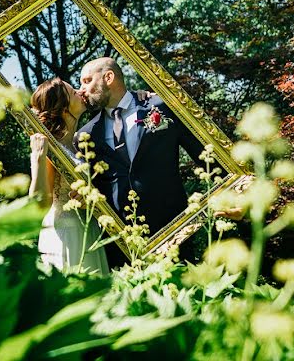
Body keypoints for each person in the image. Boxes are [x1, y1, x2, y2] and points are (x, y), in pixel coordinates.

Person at [76, 57, 206, 267]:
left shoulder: (162, 106)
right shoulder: (86, 135)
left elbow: (204, 154)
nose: (81, 89)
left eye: (87, 81)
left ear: (108, 77)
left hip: (173, 228)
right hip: (122, 244)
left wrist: (233, 194)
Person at [29, 77, 109, 274]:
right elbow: (38, 206)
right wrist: (38, 158)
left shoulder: (77, 144)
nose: (80, 92)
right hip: (65, 236)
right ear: (64, 108)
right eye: (73, 92)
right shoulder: (50, 148)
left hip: (87, 231)